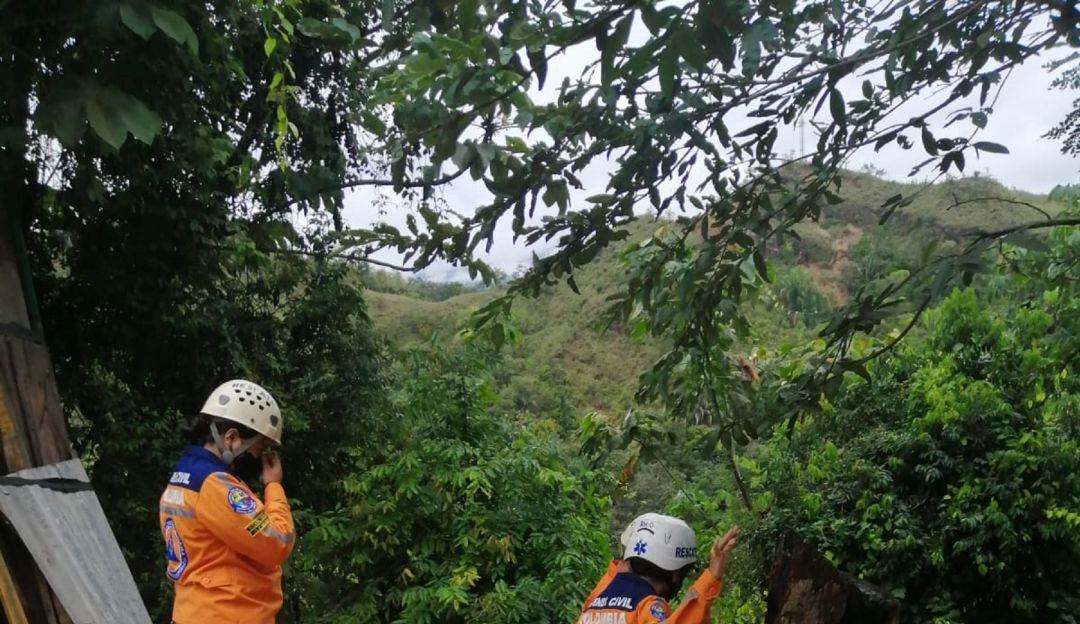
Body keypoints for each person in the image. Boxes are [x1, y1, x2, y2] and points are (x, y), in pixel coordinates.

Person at [158, 379, 295, 624]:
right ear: (231, 438)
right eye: (258, 450)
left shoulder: (184, 475)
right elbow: (276, 541)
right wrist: (273, 485)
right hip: (226, 614)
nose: (260, 459)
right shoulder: (215, 485)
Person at [577, 513, 739, 624]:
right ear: (676, 573)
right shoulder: (647, 606)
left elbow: (614, 574)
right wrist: (711, 577)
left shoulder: (594, 604)